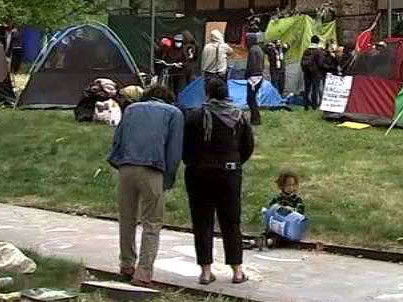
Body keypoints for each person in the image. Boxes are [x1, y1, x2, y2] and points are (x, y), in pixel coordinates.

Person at [107, 84, 183, 288]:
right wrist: (168, 178)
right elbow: (174, 149)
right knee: (152, 223)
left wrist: (117, 161)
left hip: (126, 167)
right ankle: (143, 272)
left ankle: (126, 264)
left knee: (127, 218)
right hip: (152, 169)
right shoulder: (173, 113)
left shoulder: (131, 109)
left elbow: (118, 138)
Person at [183, 77, 255, 285]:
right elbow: (247, 146)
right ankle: (237, 271)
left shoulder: (196, 116)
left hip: (200, 172)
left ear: (207, 94)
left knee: (202, 221)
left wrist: (192, 162)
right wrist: (235, 161)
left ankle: (206, 271)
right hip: (230, 172)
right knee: (231, 221)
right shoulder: (240, 117)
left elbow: (185, 145)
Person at [264, 169, 306, 248]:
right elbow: (271, 209)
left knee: (278, 238)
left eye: (293, 185)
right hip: (277, 226)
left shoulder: (297, 199)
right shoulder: (277, 199)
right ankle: (258, 240)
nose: (291, 187)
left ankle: (269, 242)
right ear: (281, 186)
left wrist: (292, 210)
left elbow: (300, 211)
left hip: (289, 229)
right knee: (268, 232)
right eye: (288, 185)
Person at [244, 33, 265, 126]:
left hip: (253, 77)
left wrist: (247, 74)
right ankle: (254, 118)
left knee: (250, 99)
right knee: (253, 98)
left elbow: (251, 65)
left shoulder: (252, 50)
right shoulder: (259, 49)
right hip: (259, 76)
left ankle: (256, 119)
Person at [300, 36, 326, 109]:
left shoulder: (306, 50)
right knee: (315, 89)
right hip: (315, 72)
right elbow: (320, 63)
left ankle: (305, 105)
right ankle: (314, 105)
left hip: (306, 72)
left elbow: (302, 61)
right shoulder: (318, 51)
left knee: (307, 88)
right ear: (318, 42)